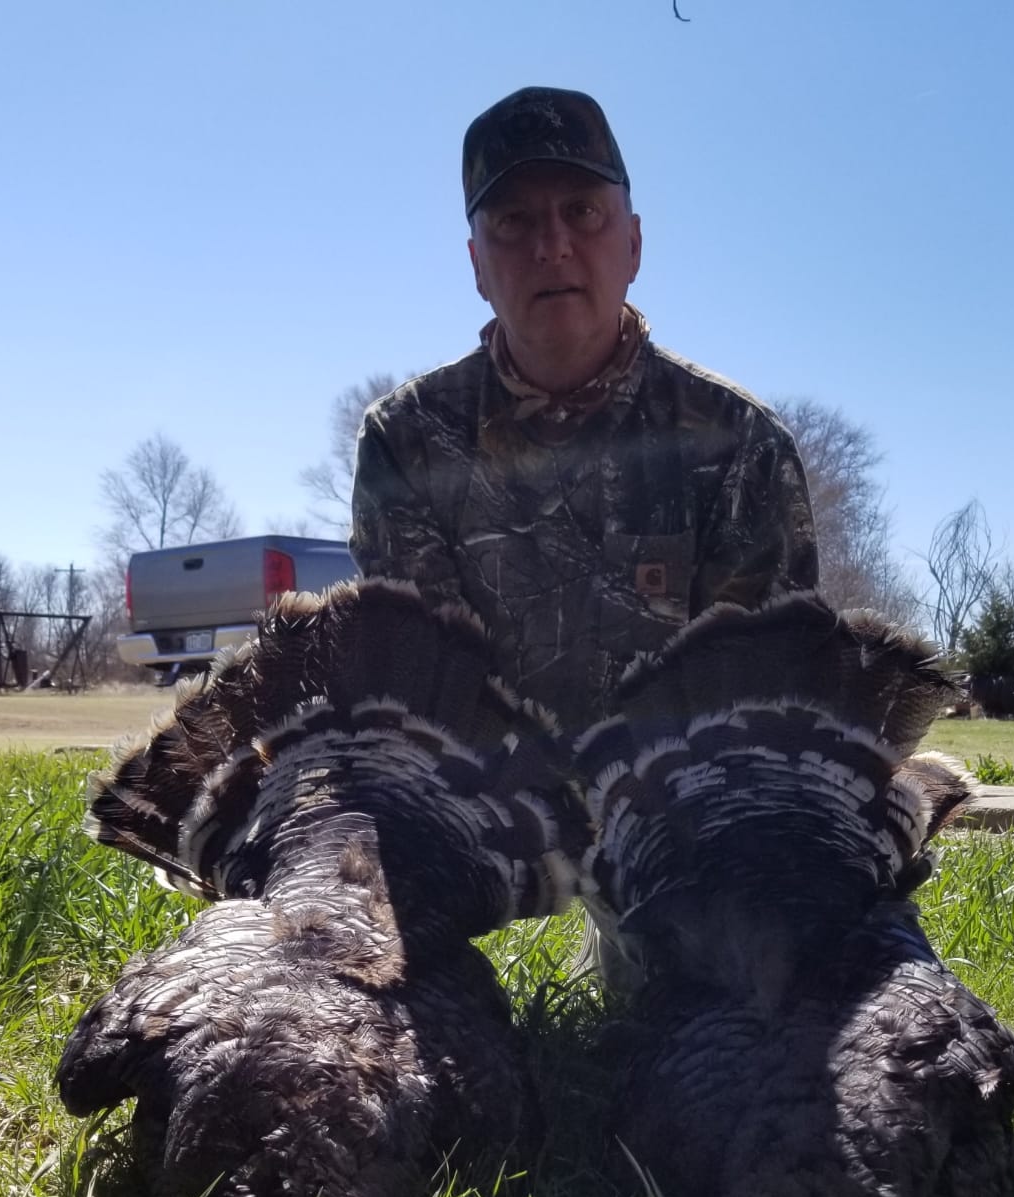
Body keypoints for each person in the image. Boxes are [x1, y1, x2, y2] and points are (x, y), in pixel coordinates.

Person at [349, 86, 818, 735]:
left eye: (583, 211)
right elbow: (422, 704)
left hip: (687, 821)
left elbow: (763, 713)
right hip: (470, 818)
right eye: (513, 221)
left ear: (633, 244)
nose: (552, 245)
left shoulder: (742, 447)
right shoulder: (405, 443)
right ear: (477, 266)